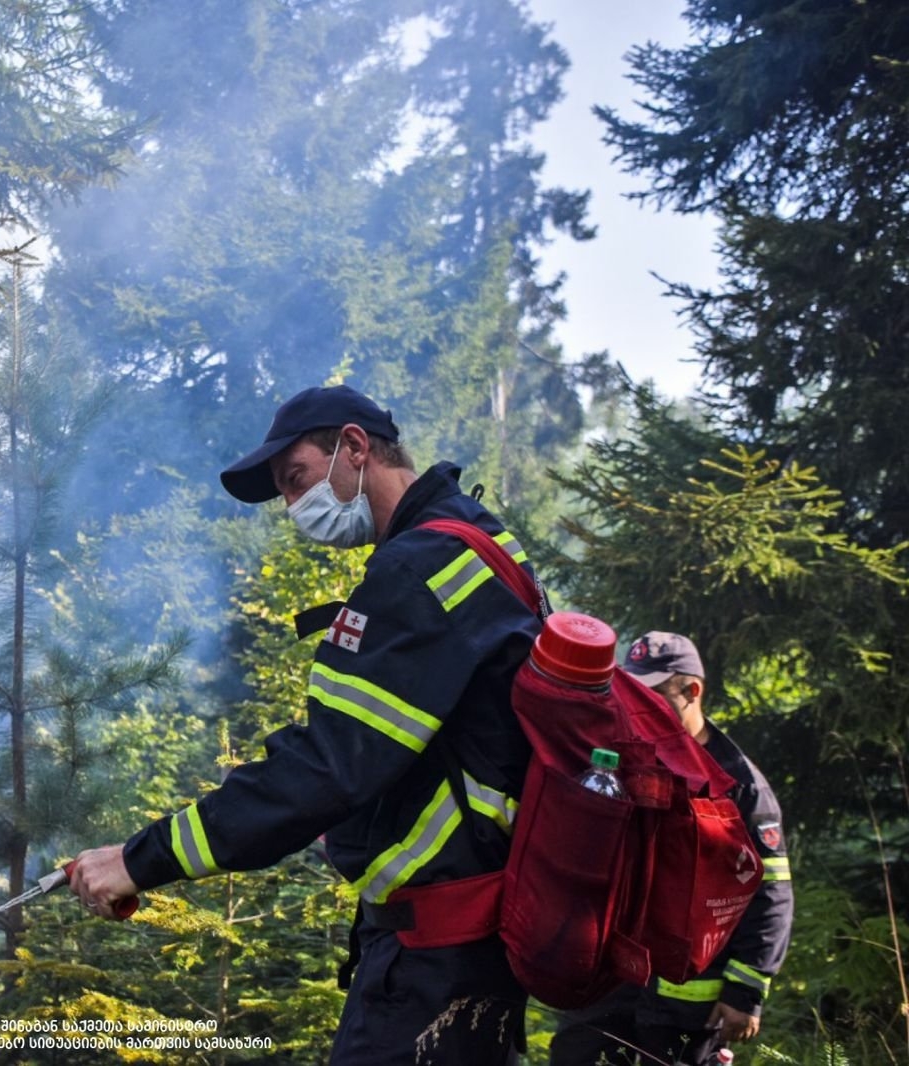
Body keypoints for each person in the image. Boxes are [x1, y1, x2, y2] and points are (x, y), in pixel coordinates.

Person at [70, 385, 541, 1064]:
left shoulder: (416, 569)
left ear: (354, 446)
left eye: (296, 479)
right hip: (473, 945)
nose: (294, 507)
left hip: (434, 956)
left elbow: (326, 768)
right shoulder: (479, 539)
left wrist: (138, 860)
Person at [549, 632, 794, 1066]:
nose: (639, 708)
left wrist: (746, 989)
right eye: (633, 695)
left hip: (685, 1007)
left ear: (692, 691)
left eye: (655, 695)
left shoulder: (738, 783)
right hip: (606, 986)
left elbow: (771, 891)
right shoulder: (622, 759)